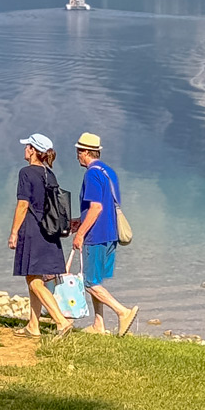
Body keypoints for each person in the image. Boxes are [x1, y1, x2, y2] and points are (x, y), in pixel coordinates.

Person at [72, 132, 138, 336]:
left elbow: (96, 208)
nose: (77, 156)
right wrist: (79, 220)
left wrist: (80, 233)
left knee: (89, 282)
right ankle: (98, 324)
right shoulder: (109, 171)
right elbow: (106, 206)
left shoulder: (91, 174)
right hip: (110, 233)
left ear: (85, 152)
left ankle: (122, 312)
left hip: (96, 234)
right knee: (95, 279)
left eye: (78, 152)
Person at [9, 133, 74, 339]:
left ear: (33, 151)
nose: (25, 149)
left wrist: (13, 233)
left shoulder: (26, 173)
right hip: (50, 232)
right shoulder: (49, 174)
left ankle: (61, 322)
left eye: (27, 146)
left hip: (33, 231)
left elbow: (22, 204)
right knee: (34, 278)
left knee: (34, 280)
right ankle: (33, 325)